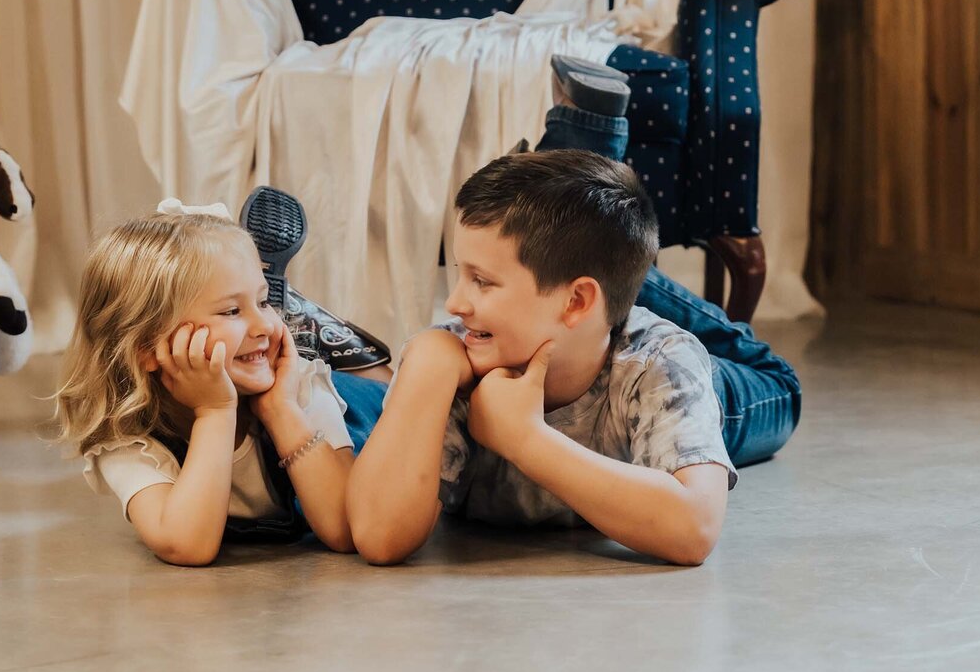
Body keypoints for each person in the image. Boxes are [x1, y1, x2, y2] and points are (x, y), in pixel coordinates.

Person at [343, 55, 801, 567]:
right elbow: (379, 536)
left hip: (717, 387)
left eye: (482, 281)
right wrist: (426, 365)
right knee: (590, 257)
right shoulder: (455, 361)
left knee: (781, 384)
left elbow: (694, 527)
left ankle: (607, 228)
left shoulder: (659, 365)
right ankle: (595, 185)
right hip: (585, 312)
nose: (454, 303)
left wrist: (526, 439)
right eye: (460, 275)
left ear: (576, 301)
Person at [56, 202, 375, 566]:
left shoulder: (297, 384)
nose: (265, 326)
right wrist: (214, 412)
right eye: (231, 311)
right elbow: (186, 544)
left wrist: (281, 410)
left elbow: (346, 529)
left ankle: (329, 334)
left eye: (264, 301)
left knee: (389, 386)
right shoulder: (128, 435)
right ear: (147, 347)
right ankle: (301, 316)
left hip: (374, 414)